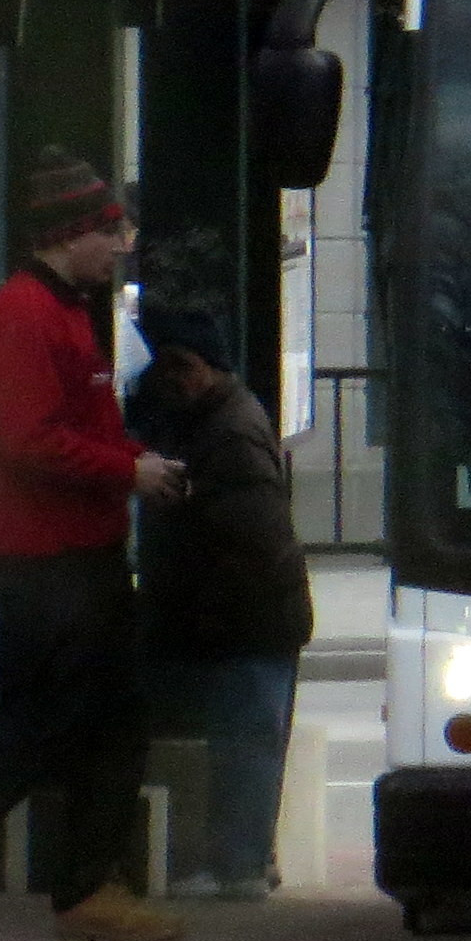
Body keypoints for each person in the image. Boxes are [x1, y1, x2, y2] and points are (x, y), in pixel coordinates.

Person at [0, 147, 188, 941]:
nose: (120, 247)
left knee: (98, 719)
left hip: (77, 553)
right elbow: (31, 440)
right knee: (62, 719)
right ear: (70, 234)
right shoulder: (27, 315)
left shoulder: (61, 310)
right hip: (53, 560)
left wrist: (126, 467)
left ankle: (82, 881)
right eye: (108, 233)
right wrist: (128, 471)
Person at [127, 305, 313, 902]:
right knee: (246, 742)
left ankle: (240, 867)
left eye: (183, 366)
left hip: (247, 621)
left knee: (245, 744)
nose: (173, 378)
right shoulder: (214, 418)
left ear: (209, 369)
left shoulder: (226, 431)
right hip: (248, 618)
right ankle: (249, 858)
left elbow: (253, 538)